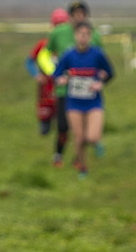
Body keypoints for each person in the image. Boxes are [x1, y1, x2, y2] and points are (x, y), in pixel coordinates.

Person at [49, 21, 114, 177]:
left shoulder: (97, 54)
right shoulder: (68, 55)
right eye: (81, 34)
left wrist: (100, 83)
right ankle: (83, 168)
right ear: (75, 36)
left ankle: (96, 142)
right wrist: (62, 79)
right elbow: (56, 74)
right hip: (74, 103)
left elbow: (110, 72)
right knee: (79, 138)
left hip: (93, 102)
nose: (83, 37)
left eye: (86, 35)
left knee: (91, 137)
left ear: (90, 36)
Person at [45, 0, 103, 166]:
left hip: (88, 91)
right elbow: (47, 54)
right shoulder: (58, 33)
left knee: (83, 130)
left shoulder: (95, 35)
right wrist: (55, 73)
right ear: (70, 16)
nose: (79, 17)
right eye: (75, 14)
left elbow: (101, 61)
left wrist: (99, 79)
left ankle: (79, 159)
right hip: (65, 90)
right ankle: (59, 155)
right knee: (63, 126)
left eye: (82, 14)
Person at [25, 8, 68, 135]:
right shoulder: (43, 44)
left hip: (64, 85)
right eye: (57, 25)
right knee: (45, 118)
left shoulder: (69, 46)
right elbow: (29, 61)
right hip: (46, 86)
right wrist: (36, 75)